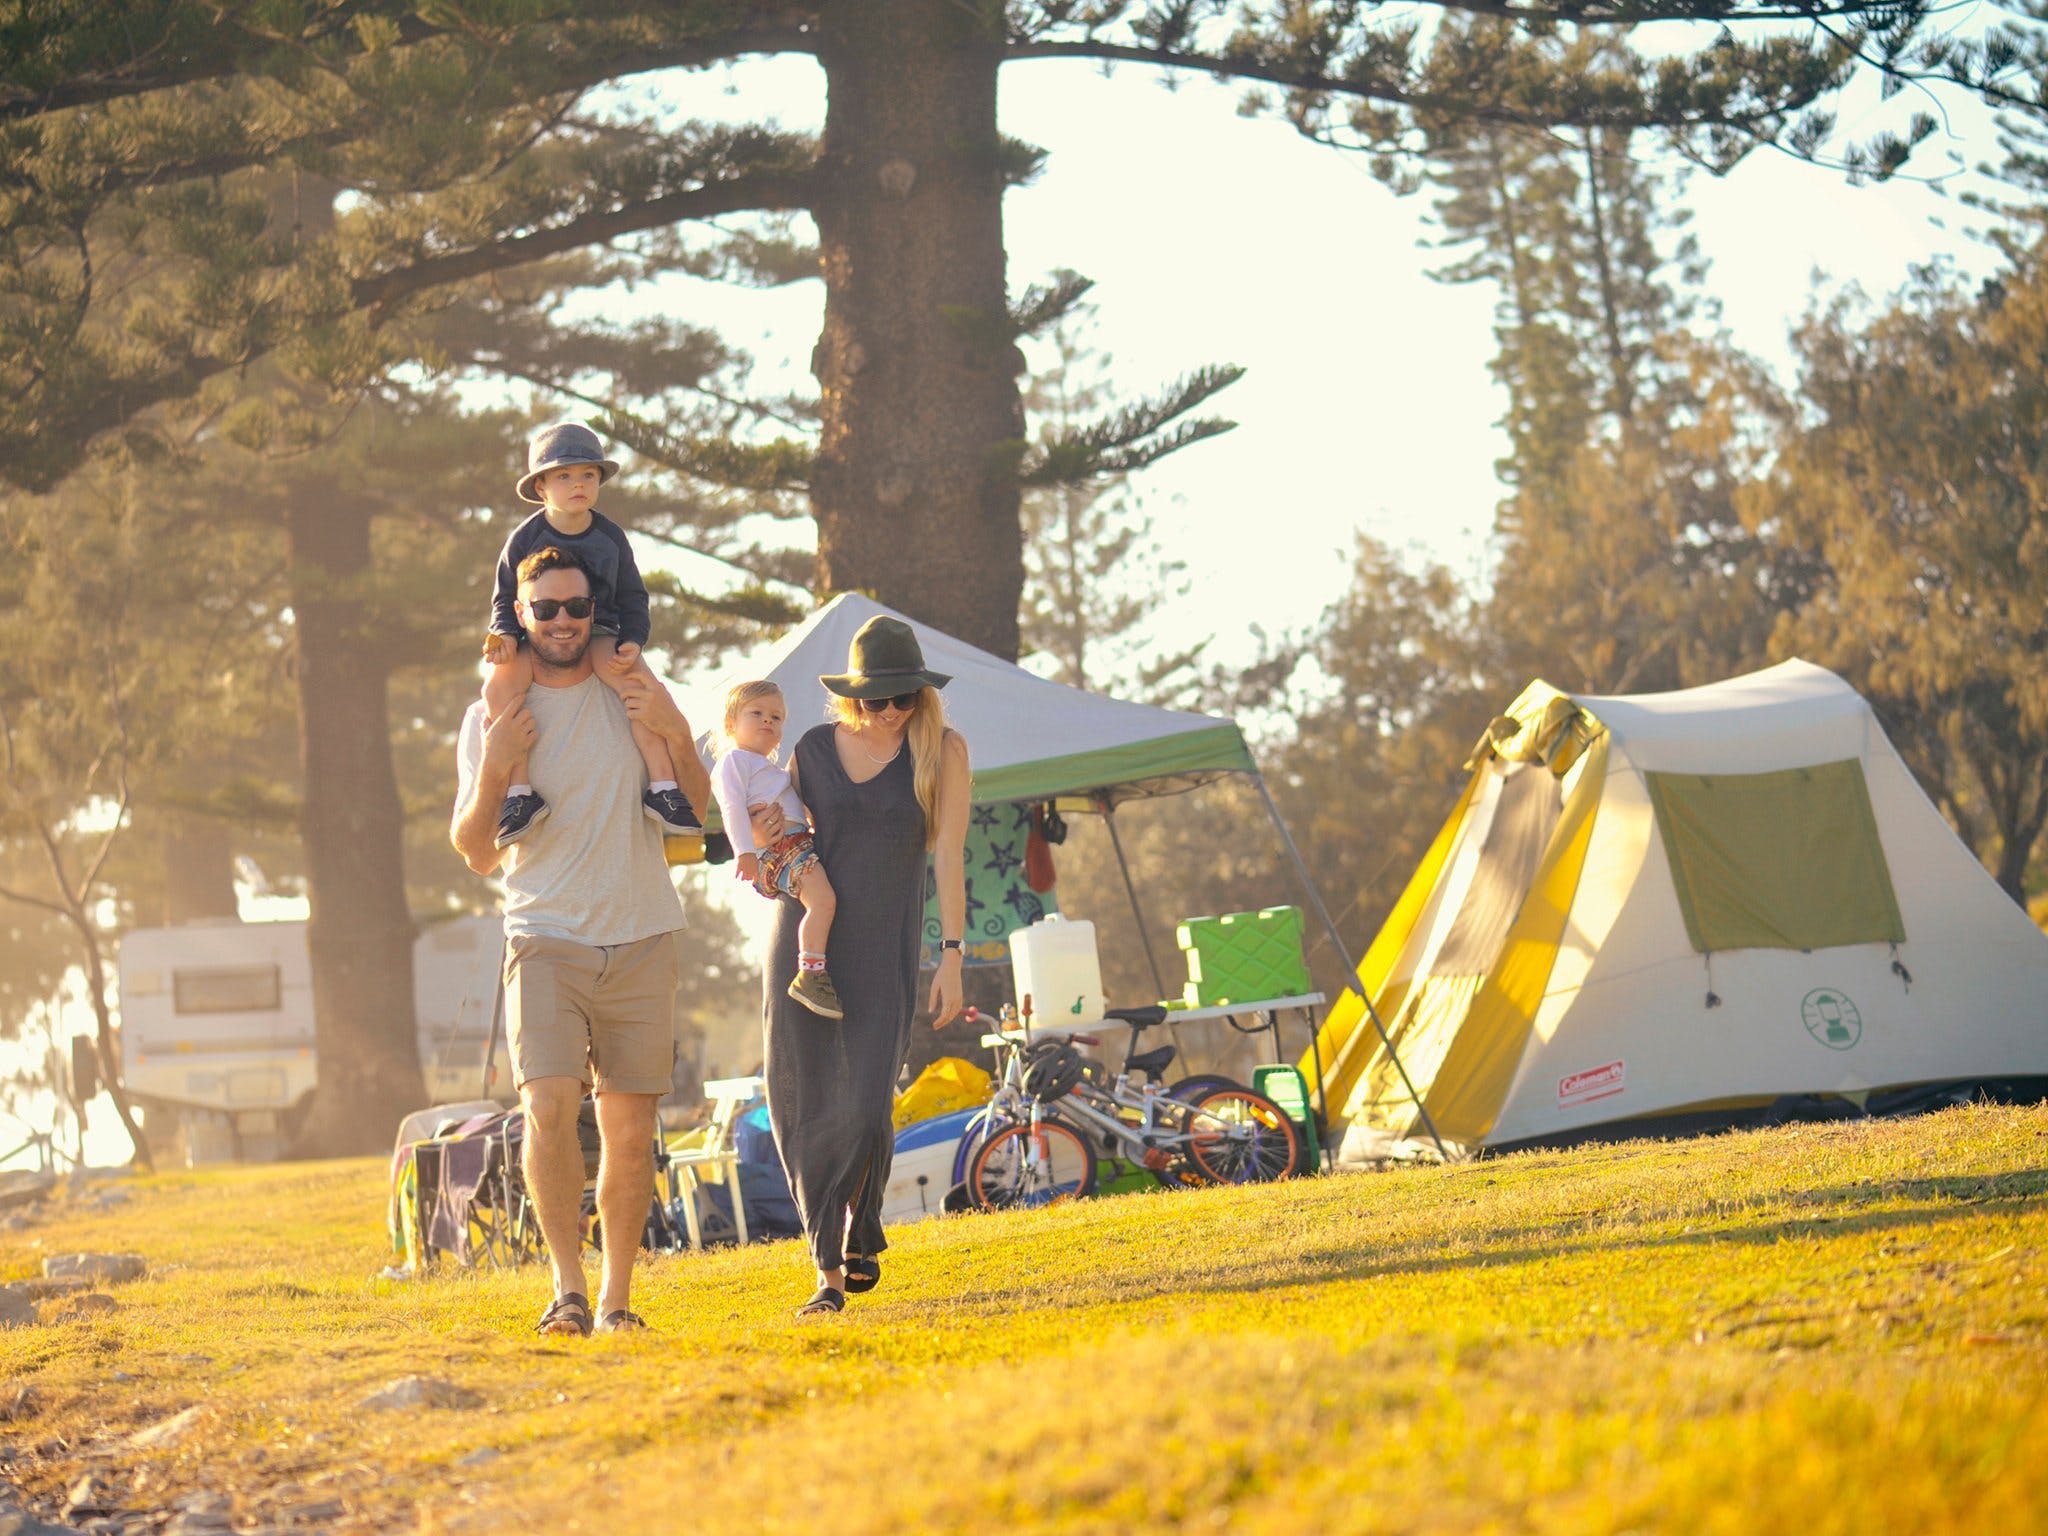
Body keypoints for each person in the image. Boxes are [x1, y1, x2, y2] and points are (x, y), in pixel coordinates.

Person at [450, 544, 711, 1338]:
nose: (563, 622)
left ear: (594, 610)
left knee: (631, 1134)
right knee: (548, 1108)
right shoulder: (490, 715)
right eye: (546, 610)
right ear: (520, 617)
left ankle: (615, 1299)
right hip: (543, 934)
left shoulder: (629, 690)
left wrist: (679, 735)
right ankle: (565, 1287)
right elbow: (473, 849)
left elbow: (697, 815)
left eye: (576, 607)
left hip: (641, 932)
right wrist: (496, 770)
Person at [753, 615, 970, 1318]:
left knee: (868, 1102)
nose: (887, 711)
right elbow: (781, 844)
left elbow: (951, 860)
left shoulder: (942, 750)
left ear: (918, 696)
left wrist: (953, 957)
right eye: (874, 699)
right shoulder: (813, 749)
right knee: (804, 1097)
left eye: (900, 698)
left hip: (885, 945)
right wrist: (762, 849)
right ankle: (828, 1270)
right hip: (806, 946)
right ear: (851, 696)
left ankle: (860, 1228)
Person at [482, 421, 700, 849]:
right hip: (535, 637)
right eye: (564, 476)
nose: (578, 484)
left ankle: (662, 787)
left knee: (640, 688)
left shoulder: (610, 536)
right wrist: (505, 634)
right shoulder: (525, 537)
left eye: (588, 475)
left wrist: (634, 639)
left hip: (600, 630)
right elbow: (504, 597)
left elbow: (633, 595)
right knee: (499, 689)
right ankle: (520, 793)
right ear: (541, 486)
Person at [710, 680, 844, 1020]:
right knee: (824, 902)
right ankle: (811, 973)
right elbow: (731, 808)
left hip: (797, 842)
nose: (768, 721)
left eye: (777, 717)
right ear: (731, 723)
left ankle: (813, 968)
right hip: (781, 849)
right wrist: (745, 851)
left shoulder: (768, 769)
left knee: (825, 901)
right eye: (756, 713)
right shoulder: (734, 762)